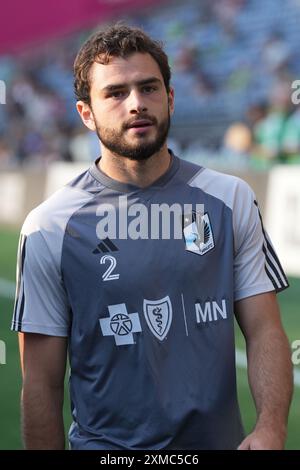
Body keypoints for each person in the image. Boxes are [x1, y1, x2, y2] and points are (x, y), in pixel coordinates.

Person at [12, 24, 293, 450]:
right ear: (86, 113)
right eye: (115, 93)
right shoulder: (49, 227)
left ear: (171, 98)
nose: (137, 104)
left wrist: (272, 426)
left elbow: (265, 330)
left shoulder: (229, 199)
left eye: (148, 88)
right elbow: (41, 384)